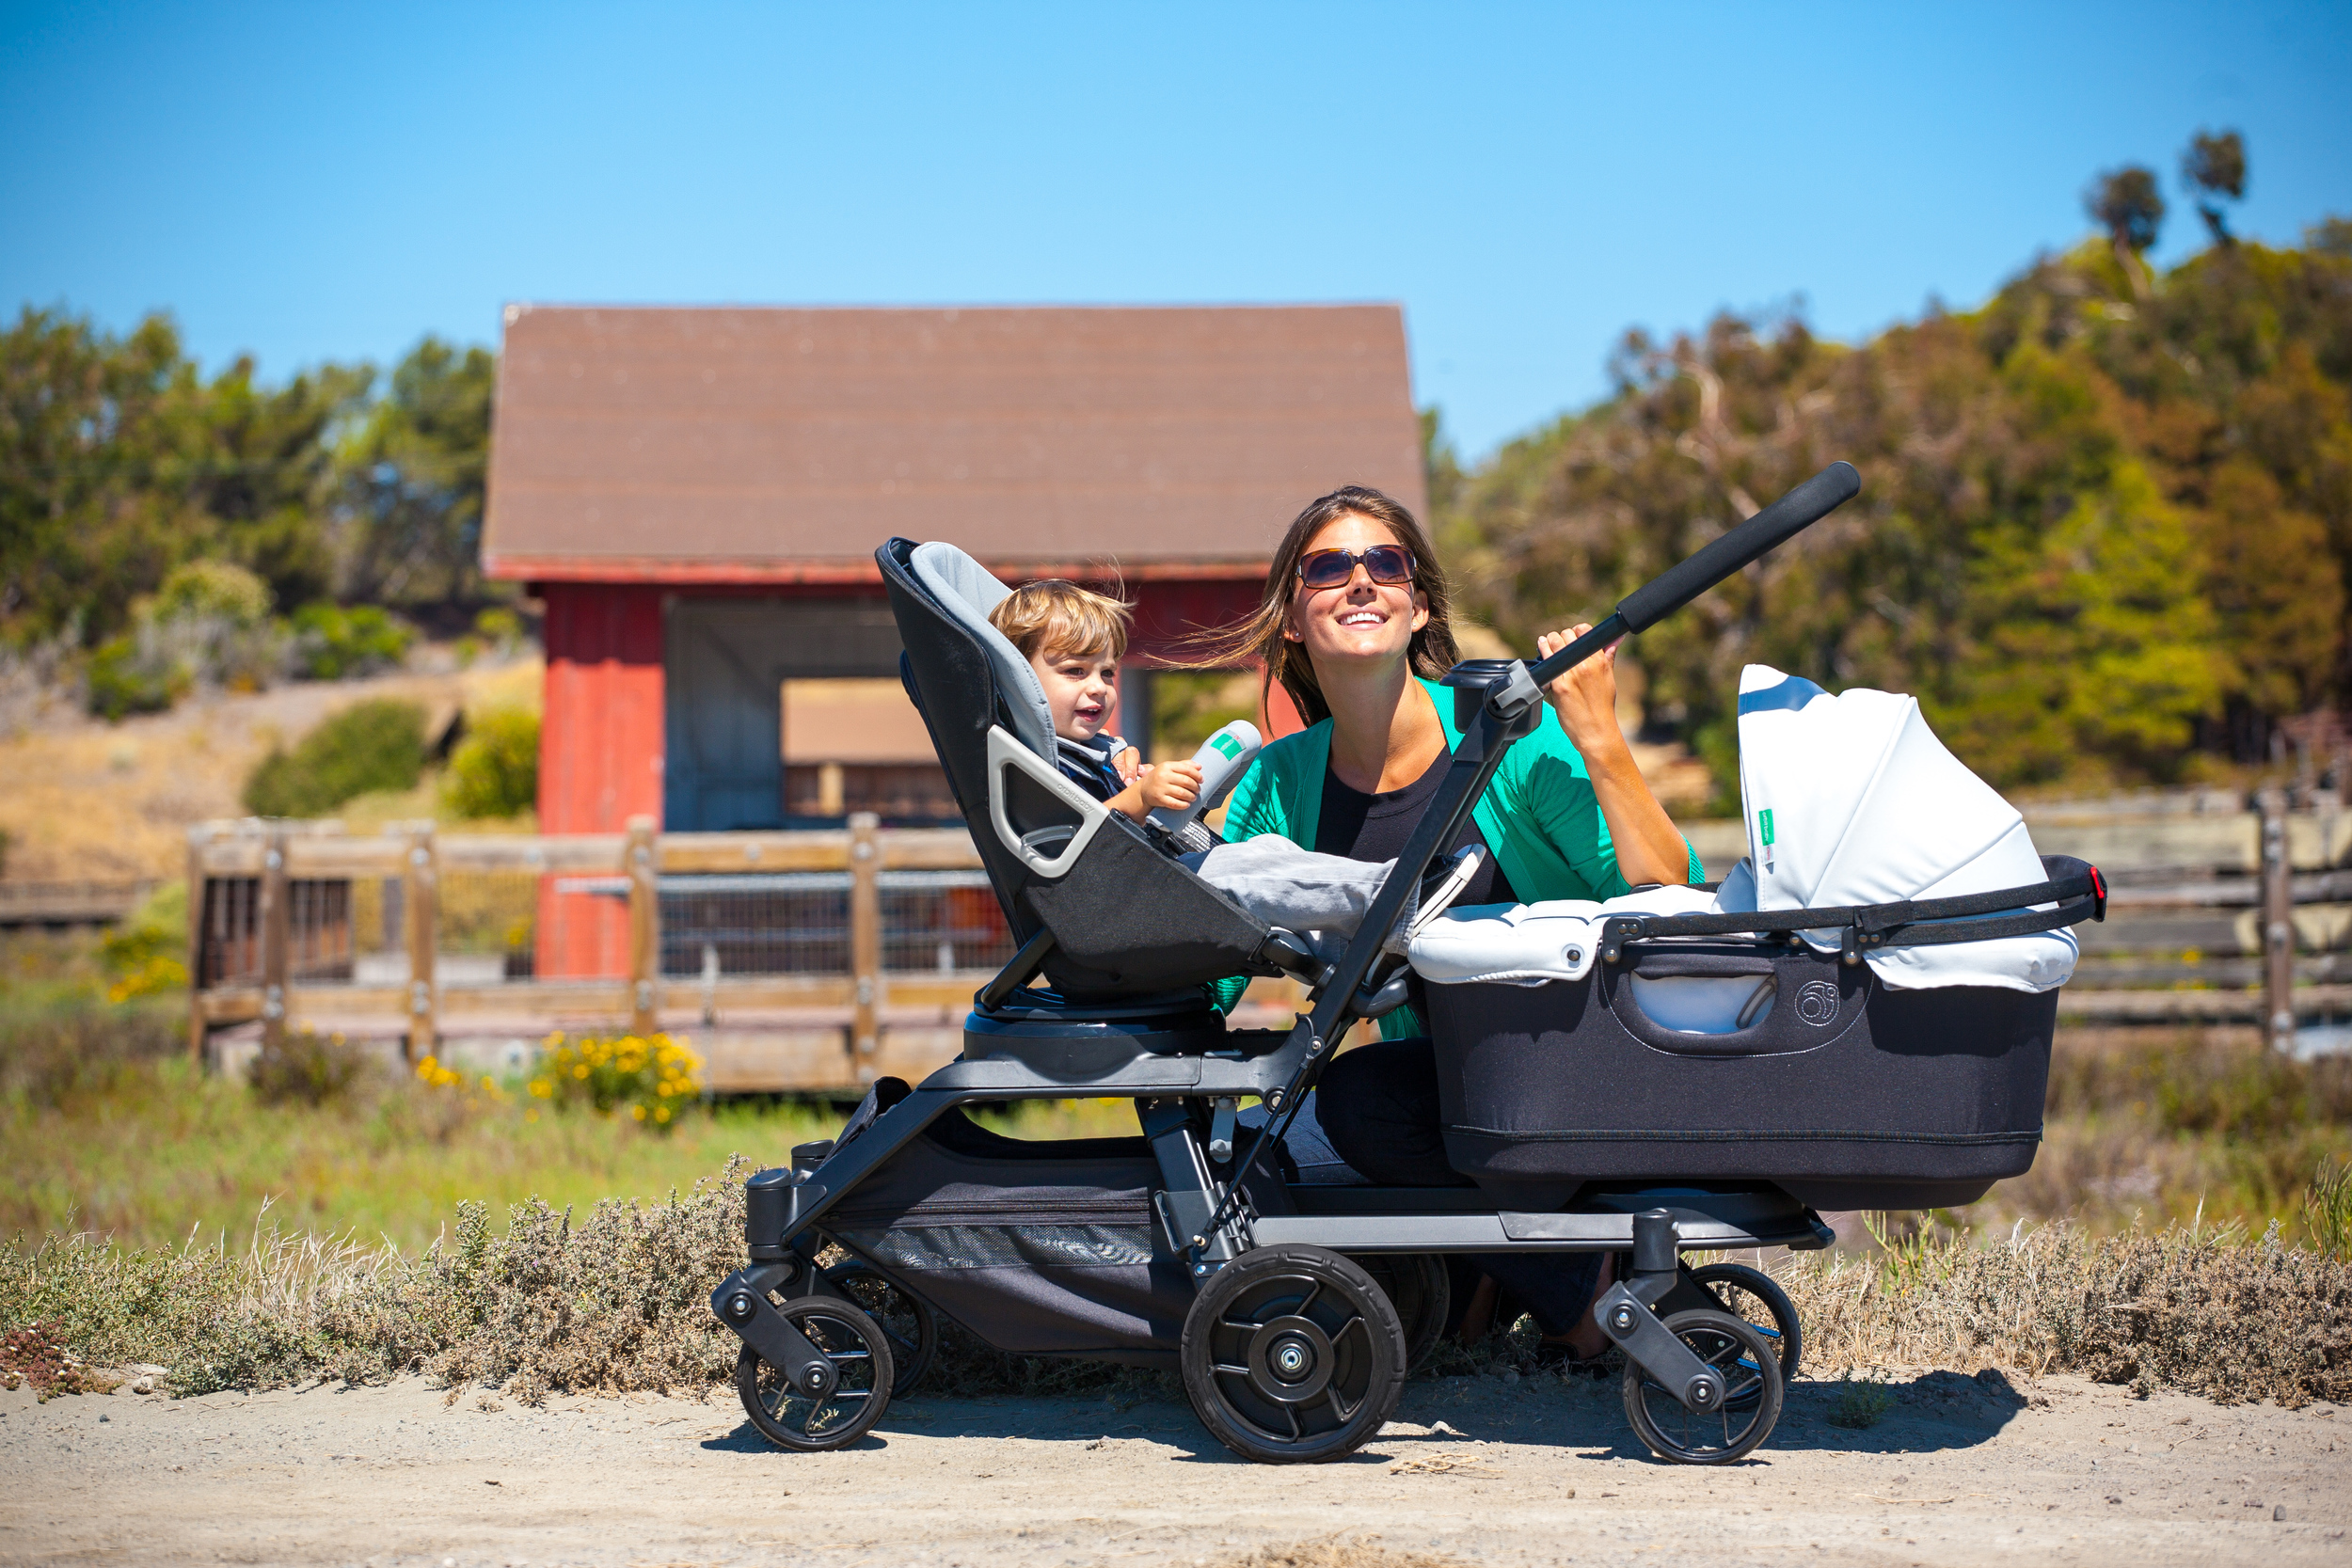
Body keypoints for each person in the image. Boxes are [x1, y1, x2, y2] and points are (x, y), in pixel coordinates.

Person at [1200, 484, 1700, 1361]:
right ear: (1291, 615)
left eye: (1383, 562)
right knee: (1297, 1138)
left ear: (1417, 600)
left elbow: (1669, 886)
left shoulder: (1510, 735)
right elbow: (1217, 958)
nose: (1359, 581)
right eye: (1328, 567)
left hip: (1583, 1059)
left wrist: (1599, 735)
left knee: (1359, 1104)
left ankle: (1580, 1298)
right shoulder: (1279, 783)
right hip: (1461, 1093)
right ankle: (1498, 1280)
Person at [988, 577, 1427, 942]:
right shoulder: (1028, 765)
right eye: (1074, 671)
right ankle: (1401, 893)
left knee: (1267, 853)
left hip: (1149, 880)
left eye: (1106, 672)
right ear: (1019, 681)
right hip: (1114, 911)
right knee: (1239, 870)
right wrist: (1139, 797)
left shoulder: (1095, 751)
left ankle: (1360, 945)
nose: (1099, 688)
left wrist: (1140, 780)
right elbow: (1067, 845)